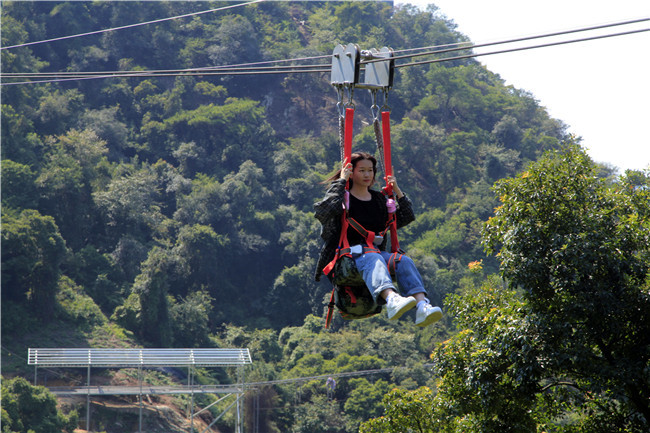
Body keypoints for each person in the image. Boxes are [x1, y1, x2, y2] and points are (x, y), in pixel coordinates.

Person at [314, 151, 442, 327]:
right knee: (372, 256)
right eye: (362, 170)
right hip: (347, 260)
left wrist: (396, 190)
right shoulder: (343, 199)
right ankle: (392, 299)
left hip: (374, 255)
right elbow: (324, 212)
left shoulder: (379, 200)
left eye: (370, 170)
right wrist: (341, 182)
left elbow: (405, 217)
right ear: (351, 172)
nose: (367, 175)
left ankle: (422, 306)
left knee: (403, 261)